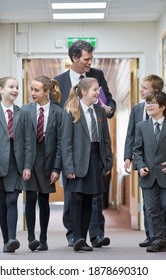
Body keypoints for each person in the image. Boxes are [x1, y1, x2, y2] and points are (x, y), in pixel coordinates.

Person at [54, 39, 116, 248]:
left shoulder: (97, 76)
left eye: (91, 58)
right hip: (73, 144)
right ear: (74, 58)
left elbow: (109, 101)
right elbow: (56, 117)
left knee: (94, 196)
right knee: (74, 196)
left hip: (94, 146)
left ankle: (96, 234)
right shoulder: (59, 81)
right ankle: (74, 234)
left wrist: (109, 109)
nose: (90, 62)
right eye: (86, 59)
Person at [123, 74, 166, 248]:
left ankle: (164, 234)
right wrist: (127, 157)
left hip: (161, 160)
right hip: (142, 158)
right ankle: (151, 236)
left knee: (164, 201)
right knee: (148, 201)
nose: (141, 90)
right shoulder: (137, 109)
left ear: (156, 91)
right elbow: (130, 134)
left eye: (145, 88)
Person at [0, 76, 33, 253]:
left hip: (16, 164)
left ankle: (12, 238)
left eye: (17, 87)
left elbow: (29, 142)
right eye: (11, 87)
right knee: (3, 202)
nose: (15, 90)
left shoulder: (23, 113)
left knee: (13, 199)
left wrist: (27, 166)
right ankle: (6, 241)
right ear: (1, 90)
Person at [61, 77, 112, 251]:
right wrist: (68, 166)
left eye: (98, 89)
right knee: (76, 199)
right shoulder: (71, 111)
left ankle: (83, 240)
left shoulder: (99, 112)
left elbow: (106, 140)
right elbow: (65, 142)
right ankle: (77, 237)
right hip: (77, 162)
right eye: (95, 90)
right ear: (83, 92)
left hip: (95, 159)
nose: (98, 93)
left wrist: (108, 163)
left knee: (90, 199)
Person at [133, 91, 166, 252]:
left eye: (152, 103)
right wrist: (140, 165)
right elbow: (137, 150)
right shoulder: (141, 126)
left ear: (163, 107)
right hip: (148, 175)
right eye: (147, 103)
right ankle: (157, 239)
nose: (148, 105)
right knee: (151, 208)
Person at [22, 76, 63, 251]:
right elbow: (21, 140)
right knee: (30, 198)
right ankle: (31, 238)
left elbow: (61, 142)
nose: (33, 93)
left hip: (48, 161)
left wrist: (57, 168)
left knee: (44, 200)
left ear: (47, 92)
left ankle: (43, 239)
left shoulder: (58, 112)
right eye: (32, 89)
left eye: (37, 90)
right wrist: (24, 165)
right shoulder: (25, 110)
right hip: (30, 160)